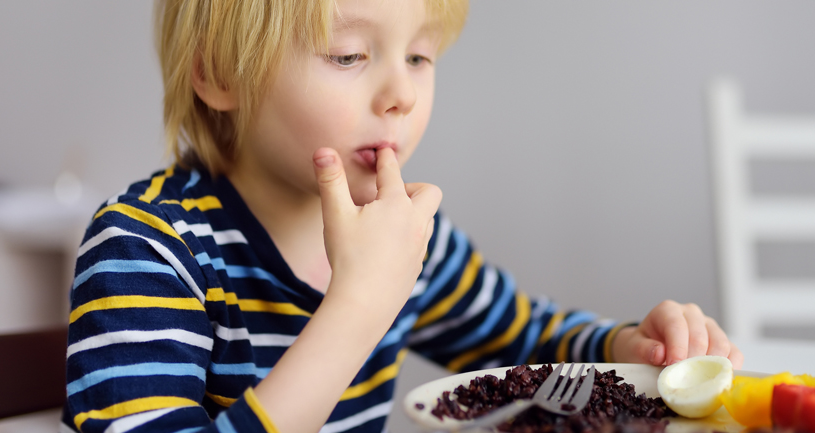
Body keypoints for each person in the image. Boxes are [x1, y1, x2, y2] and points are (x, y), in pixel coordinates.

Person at [62, 0, 743, 432]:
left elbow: (527, 340)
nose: (400, 94)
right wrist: (358, 308)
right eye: (350, 55)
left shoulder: (407, 239)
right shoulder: (148, 247)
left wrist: (626, 346)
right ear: (219, 72)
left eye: (419, 56)